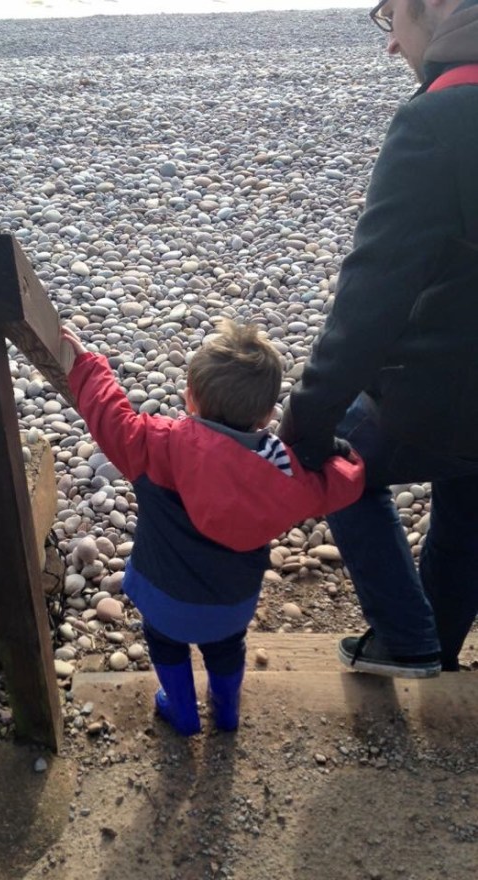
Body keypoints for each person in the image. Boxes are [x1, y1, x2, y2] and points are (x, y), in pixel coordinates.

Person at [279, 0, 478, 678]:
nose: (391, 42)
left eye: (392, 14)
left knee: (340, 462)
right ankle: (433, 643)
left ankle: (410, 640)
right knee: (470, 498)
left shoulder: (441, 119)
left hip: (455, 397)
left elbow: (375, 291)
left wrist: (310, 414)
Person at [61, 320, 364, 736]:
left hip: (163, 597)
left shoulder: (155, 445)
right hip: (231, 604)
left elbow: (109, 418)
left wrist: (87, 366)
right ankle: (225, 713)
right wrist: (343, 456)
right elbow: (338, 486)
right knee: (226, 650)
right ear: (268, 415)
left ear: (191, 399)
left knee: (165, 645)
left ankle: (182, 712)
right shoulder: (287, 476)